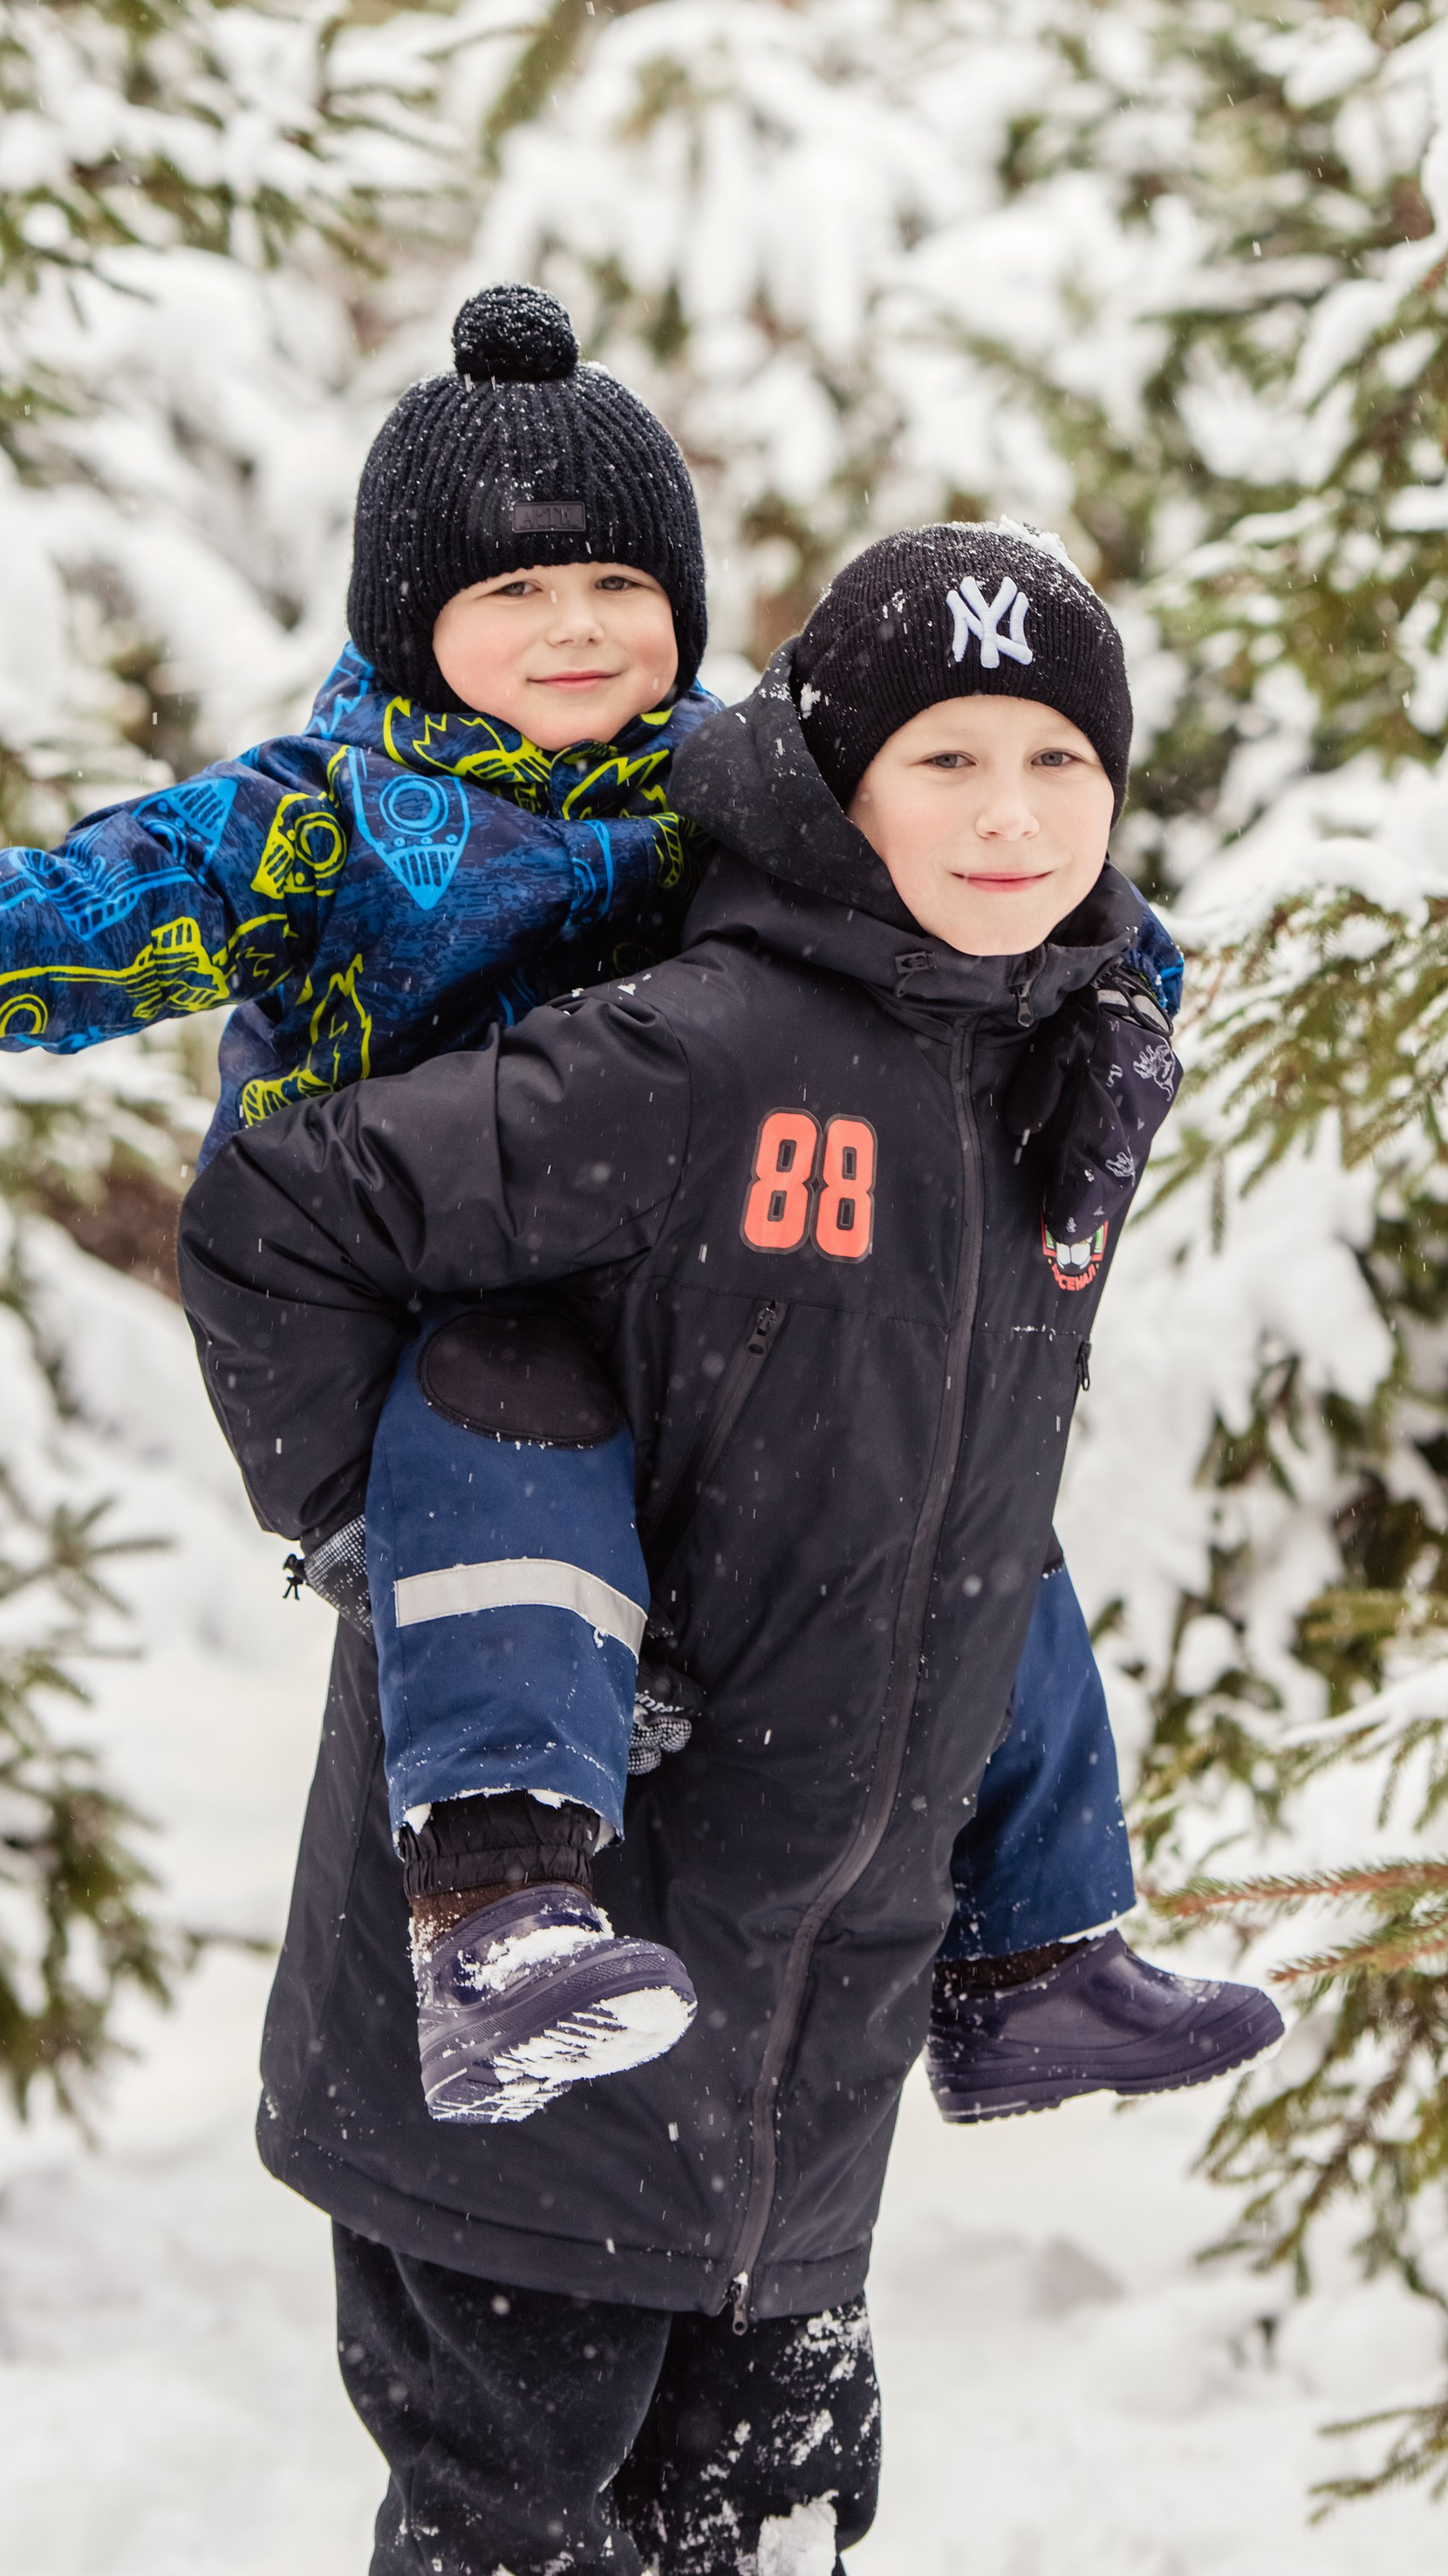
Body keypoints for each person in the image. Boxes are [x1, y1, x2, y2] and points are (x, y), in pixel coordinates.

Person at [0, 293, 1270, 2137]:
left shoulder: (728, 788)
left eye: (618, 589)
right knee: (514, 1414)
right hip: (401, 1303)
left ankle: (1032, 1954)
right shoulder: (326, 814)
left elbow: (999, 864)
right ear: (413, 625)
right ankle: (491, 1917)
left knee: (949, 1505)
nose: (575, 630)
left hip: (685, 1289)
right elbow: (96, 901)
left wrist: (1120, 1008)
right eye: (511, 597)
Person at [176, 520, 1281, 2572]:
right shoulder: (705, 1048)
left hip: (806, 2064)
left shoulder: (1048, 1061)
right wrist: (367, 1534)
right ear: (837, 781)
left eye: (1057, 762)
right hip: (534, 2015)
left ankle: (1040, 1957)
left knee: (766, 2527)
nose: (1008, 812)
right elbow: (282, 1208)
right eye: (945, 759)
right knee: (517, 2528)